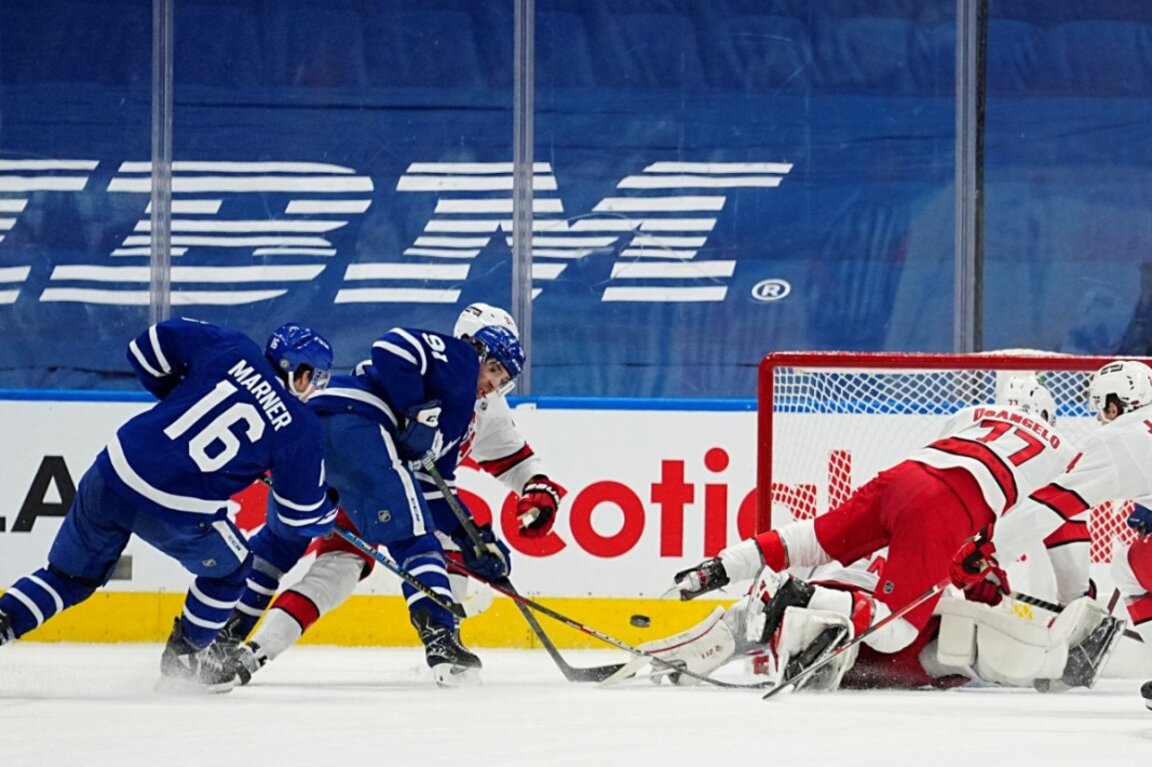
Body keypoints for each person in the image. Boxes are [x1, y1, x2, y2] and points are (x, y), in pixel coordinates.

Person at [670, 374, 1089, 689]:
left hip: (901, 480)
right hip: (939, 514)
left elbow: (943, 476)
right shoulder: (1065, 457)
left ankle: (723, 567)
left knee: (813, 539)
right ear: (1051, 418)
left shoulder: (971, 417)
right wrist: (1078, 610)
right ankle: (803, 597)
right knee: (897, 634)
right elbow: (1066, 559)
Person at [0, 317, 336, 693]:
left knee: (67, 577)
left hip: (115, 468)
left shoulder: (232, 347)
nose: (313, 389)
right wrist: (328, 512)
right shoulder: (300, 426)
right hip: (175, 504)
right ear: (300, 373)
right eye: (316, 378)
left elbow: (148, 346)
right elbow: (299, 515)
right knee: (232, 569)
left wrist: (176, 397)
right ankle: (185, 660)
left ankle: (5, 618)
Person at [223, 319, 528, 687]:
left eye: (503, 381)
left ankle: (218, 646)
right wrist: (416, 409)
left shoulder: (460, 417)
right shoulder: (460, 359)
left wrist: (471, 538)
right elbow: (392, 346)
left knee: (277, 546)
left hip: (304, 435)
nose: (493, 384)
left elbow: (435, 489)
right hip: (354, 427)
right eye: (494, 369)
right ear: (477, 349)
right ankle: (444, 645)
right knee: (416, 541)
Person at [985, 359, 1152, 708]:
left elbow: (1053, 504)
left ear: (1113, 404)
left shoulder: (1117, 437)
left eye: (1102, 409)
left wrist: (989, 550)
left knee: (1128, 564)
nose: (1100, 417)